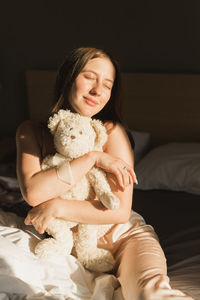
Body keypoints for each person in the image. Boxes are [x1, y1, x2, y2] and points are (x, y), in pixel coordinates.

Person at [16, 47, 192, 300]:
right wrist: (93, 158)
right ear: (69, 77)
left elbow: (119, 211)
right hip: (67, 244)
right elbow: (33, 193)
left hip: (123, 240)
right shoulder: (31, 131)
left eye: (107, 85)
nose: (98, 91)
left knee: (150, 294)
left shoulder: (111, 131)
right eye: (90, 77)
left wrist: (55, 206)